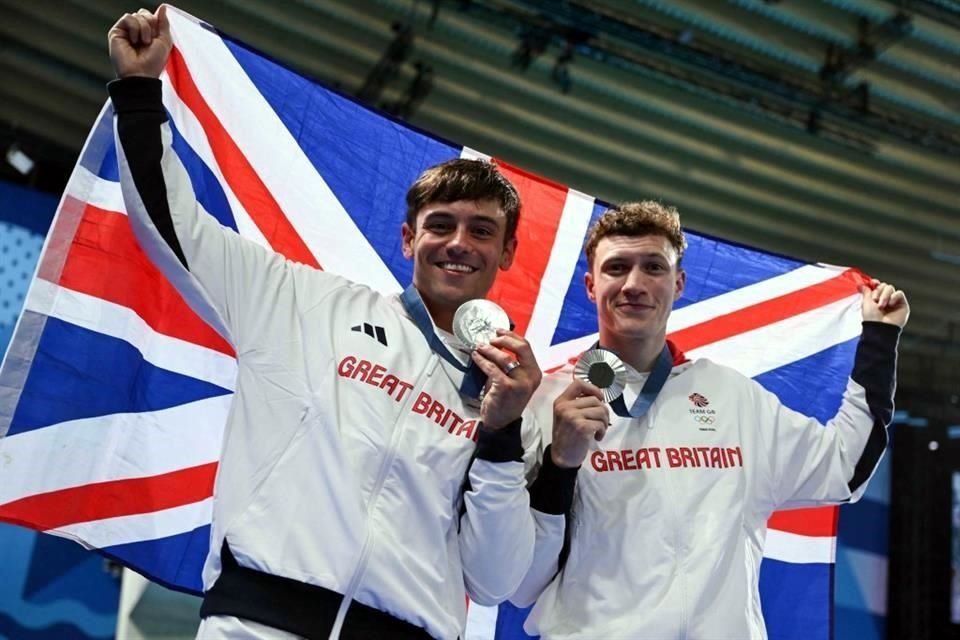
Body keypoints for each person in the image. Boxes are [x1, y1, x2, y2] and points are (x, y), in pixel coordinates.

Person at [107, 7, 541, 639]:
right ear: (406, 239)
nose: (458, 243)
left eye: (481, 231)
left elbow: (495, 579)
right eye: (440, 225)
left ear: (505, 254)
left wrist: (502, 436)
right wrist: (142, 92)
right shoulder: (302, 303)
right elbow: (179, 232)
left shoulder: (509, 393)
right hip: (257, 624)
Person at [512, 201, 908, 639]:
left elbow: (843, 469)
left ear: (679, 283)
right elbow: (519, 581)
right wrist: (558, 465)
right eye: (617, 268)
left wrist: (880, 339)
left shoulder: (732, 397)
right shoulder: (548, 402)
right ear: (591, 285)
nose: (634, 284)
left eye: (654, 268)